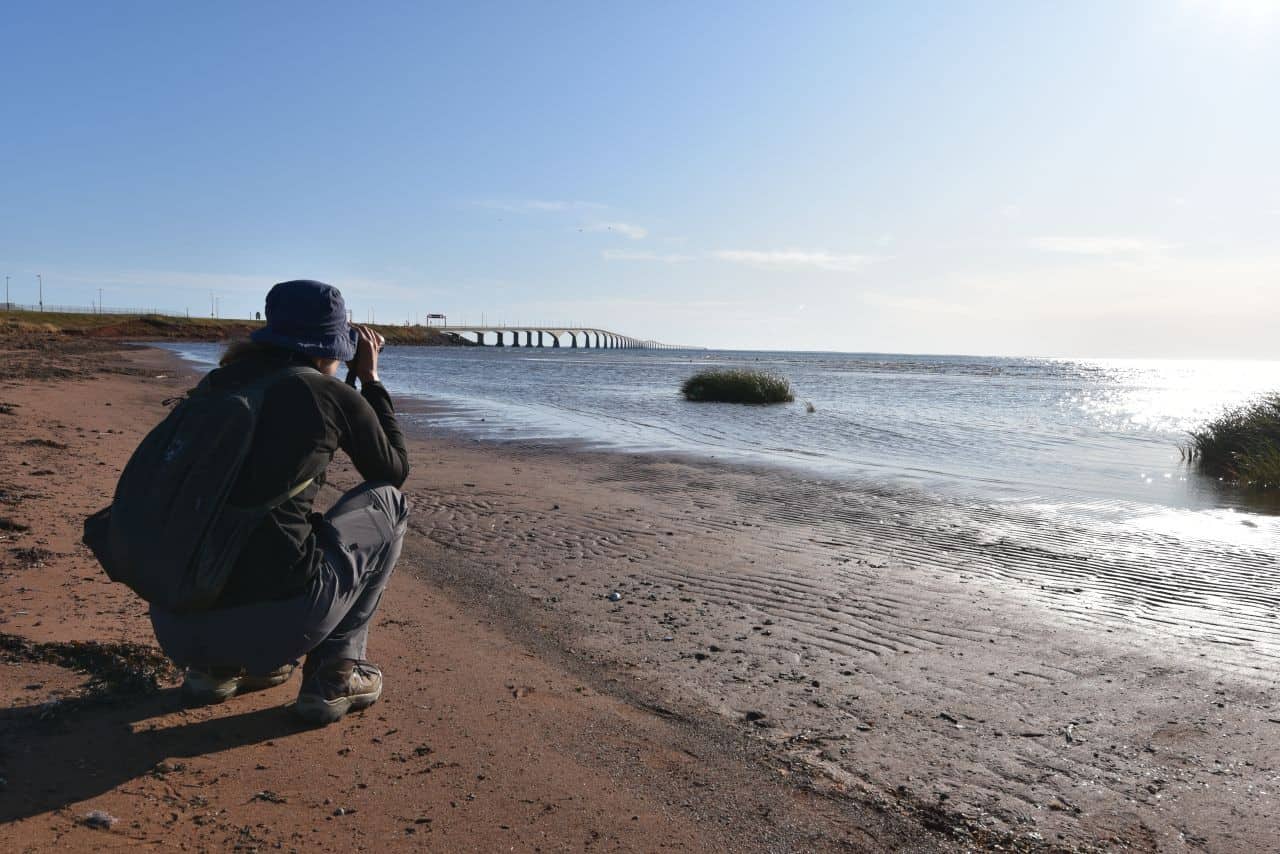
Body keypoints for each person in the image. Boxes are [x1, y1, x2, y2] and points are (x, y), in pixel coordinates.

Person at [148, 279, 410, 725]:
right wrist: (370, 379)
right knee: (388, 503)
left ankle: (213, 671)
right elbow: (392, 471)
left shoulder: (218, 386)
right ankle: (334, 677)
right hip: (282, 625)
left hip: (175, 619)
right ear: (333, 343)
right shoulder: (329, 394)